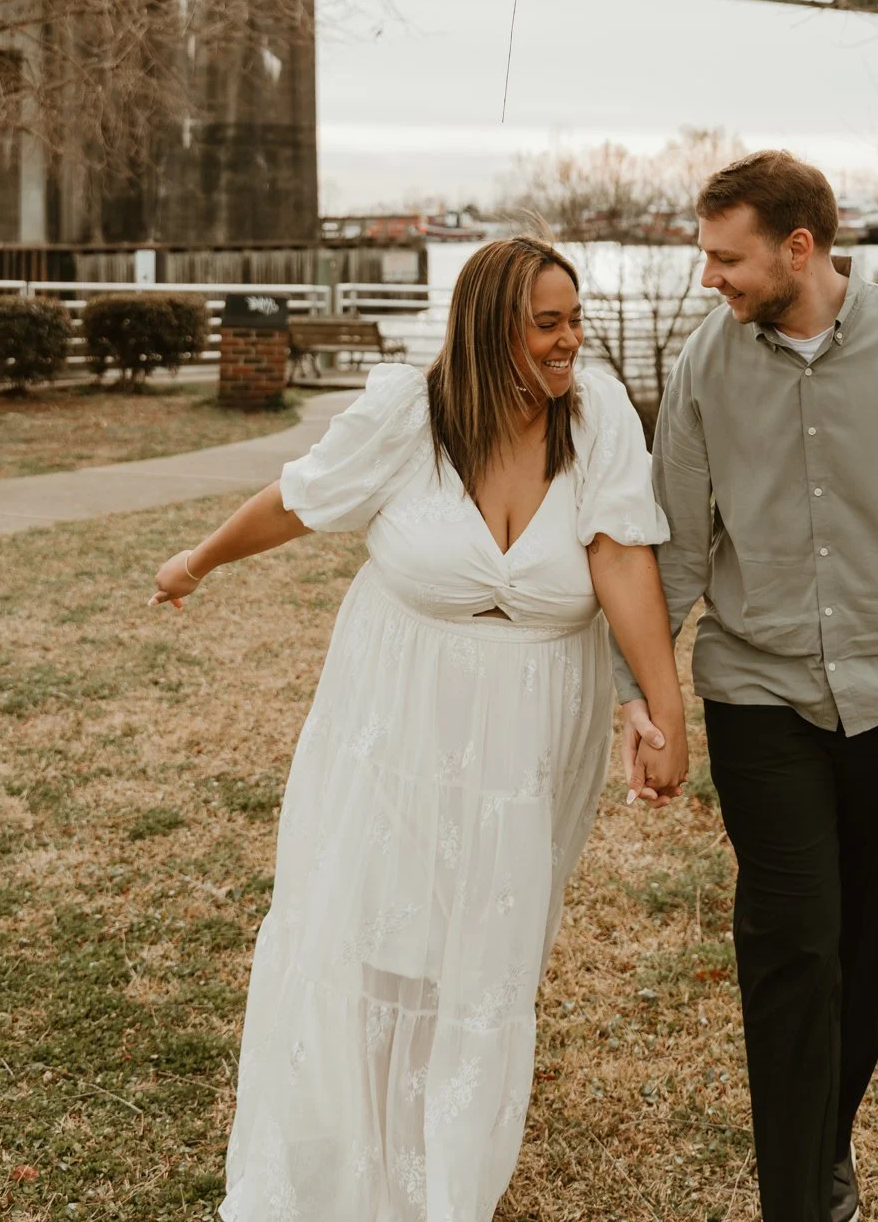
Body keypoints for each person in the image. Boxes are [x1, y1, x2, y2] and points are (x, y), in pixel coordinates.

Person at [150, 236, 689, 1222]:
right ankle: (349, 1161)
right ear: (493, 326)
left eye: (577, 318)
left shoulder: (597, 413)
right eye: (549, 321)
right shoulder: (412, 409)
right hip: (396, 708)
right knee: (376, 923)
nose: (572, 339)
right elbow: (301, 499)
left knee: (487, 951)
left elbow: (620, 552)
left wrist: (662, 701)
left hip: (531, 729)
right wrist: (200, 557)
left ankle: (444, 1187)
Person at [617, 153, 878, 1222]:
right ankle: (800, 1199)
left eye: (726, 255)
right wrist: (643, 691)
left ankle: (825, 1140)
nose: (711, 276)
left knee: (863, 951)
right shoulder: (707, 364)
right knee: (791, 947)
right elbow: (675, 544)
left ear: (801, 247)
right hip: (760, 695)